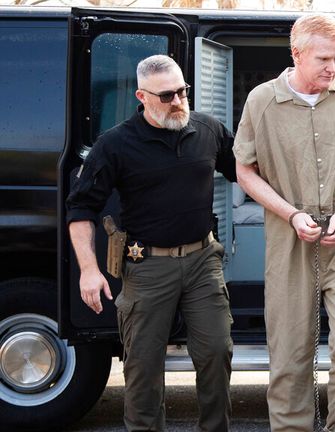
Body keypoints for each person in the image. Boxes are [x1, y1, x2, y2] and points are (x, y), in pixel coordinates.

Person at [233, 13, 335, 432]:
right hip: (289, 240)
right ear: (296, 53)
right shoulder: (261, 101)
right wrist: (291, 213)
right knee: (289, 355)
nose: (332, 67)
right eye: (323, 58)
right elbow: (244, 170)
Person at [66, 54, 235, 432]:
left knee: (216, 351)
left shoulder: (208, 129)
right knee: (142, 365)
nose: (178, 101)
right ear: (142, 96)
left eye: (183, 91)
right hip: (147, 266)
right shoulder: (115, 144)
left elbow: (246, 171)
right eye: (167, 95)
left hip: (203, 259)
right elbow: (80, 210)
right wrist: (89, 271)